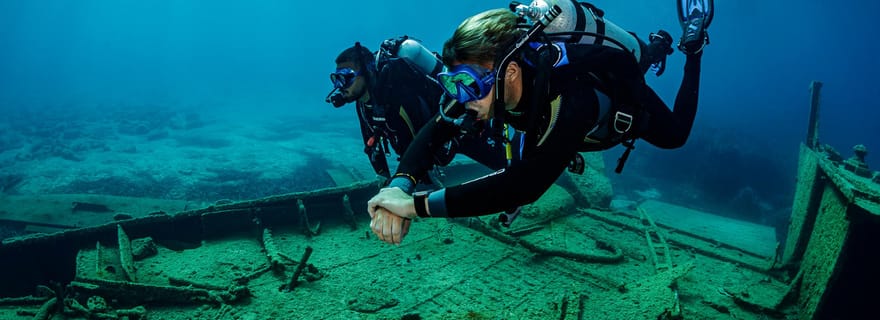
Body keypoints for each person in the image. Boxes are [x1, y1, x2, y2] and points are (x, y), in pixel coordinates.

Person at [367, 0, 714, 244]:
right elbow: (436, 129)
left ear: (511, 72)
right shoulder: (482, 85)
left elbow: (524, 186)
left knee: (676, 135)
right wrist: (400, 185)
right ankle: (653, 48)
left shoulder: (570, 100)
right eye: (452, 83)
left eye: (469, 85)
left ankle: (691, 48)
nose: (461, 97)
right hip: (545, 121)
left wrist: (413, 207)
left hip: (613, 115)